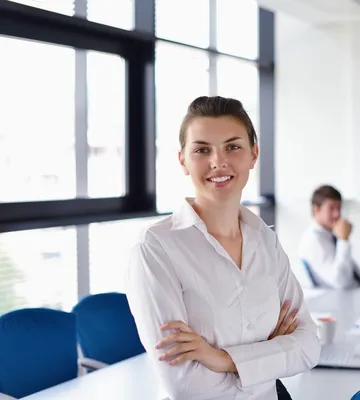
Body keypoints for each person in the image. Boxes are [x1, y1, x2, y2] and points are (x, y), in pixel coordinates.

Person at [125, 96, 320, 400]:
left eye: (233, 146)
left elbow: (308, 346)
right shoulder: (156, 248)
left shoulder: (265, 240)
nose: (218, 161)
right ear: (183, 161)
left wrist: (222, 359)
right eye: (202, 150)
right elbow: (185, 385)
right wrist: (270, 355)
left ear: (253, 155)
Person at [297, 185, 360, 289]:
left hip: (358, 292)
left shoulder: (329, 236)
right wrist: (343, 241)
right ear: (316, 210)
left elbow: (358, 275)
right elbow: (341, 282)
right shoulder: (313, 240)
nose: (337, 214)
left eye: (339, 208)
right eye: (331, 208)